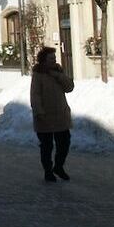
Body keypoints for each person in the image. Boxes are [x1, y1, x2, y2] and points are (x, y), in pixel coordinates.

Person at [30, 47, 74, 182]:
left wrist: (59, 76)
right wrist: (39, 111)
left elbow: (69, 87)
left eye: (55, 58)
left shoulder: (59, 72)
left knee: (64, 143)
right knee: (46, 146)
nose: (54, 60)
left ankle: (59, 166)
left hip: (60, 114)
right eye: (51, 58)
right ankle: (48, 171)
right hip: (45, 116)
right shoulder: (38, 74)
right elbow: (35, 94)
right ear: (44, 60)